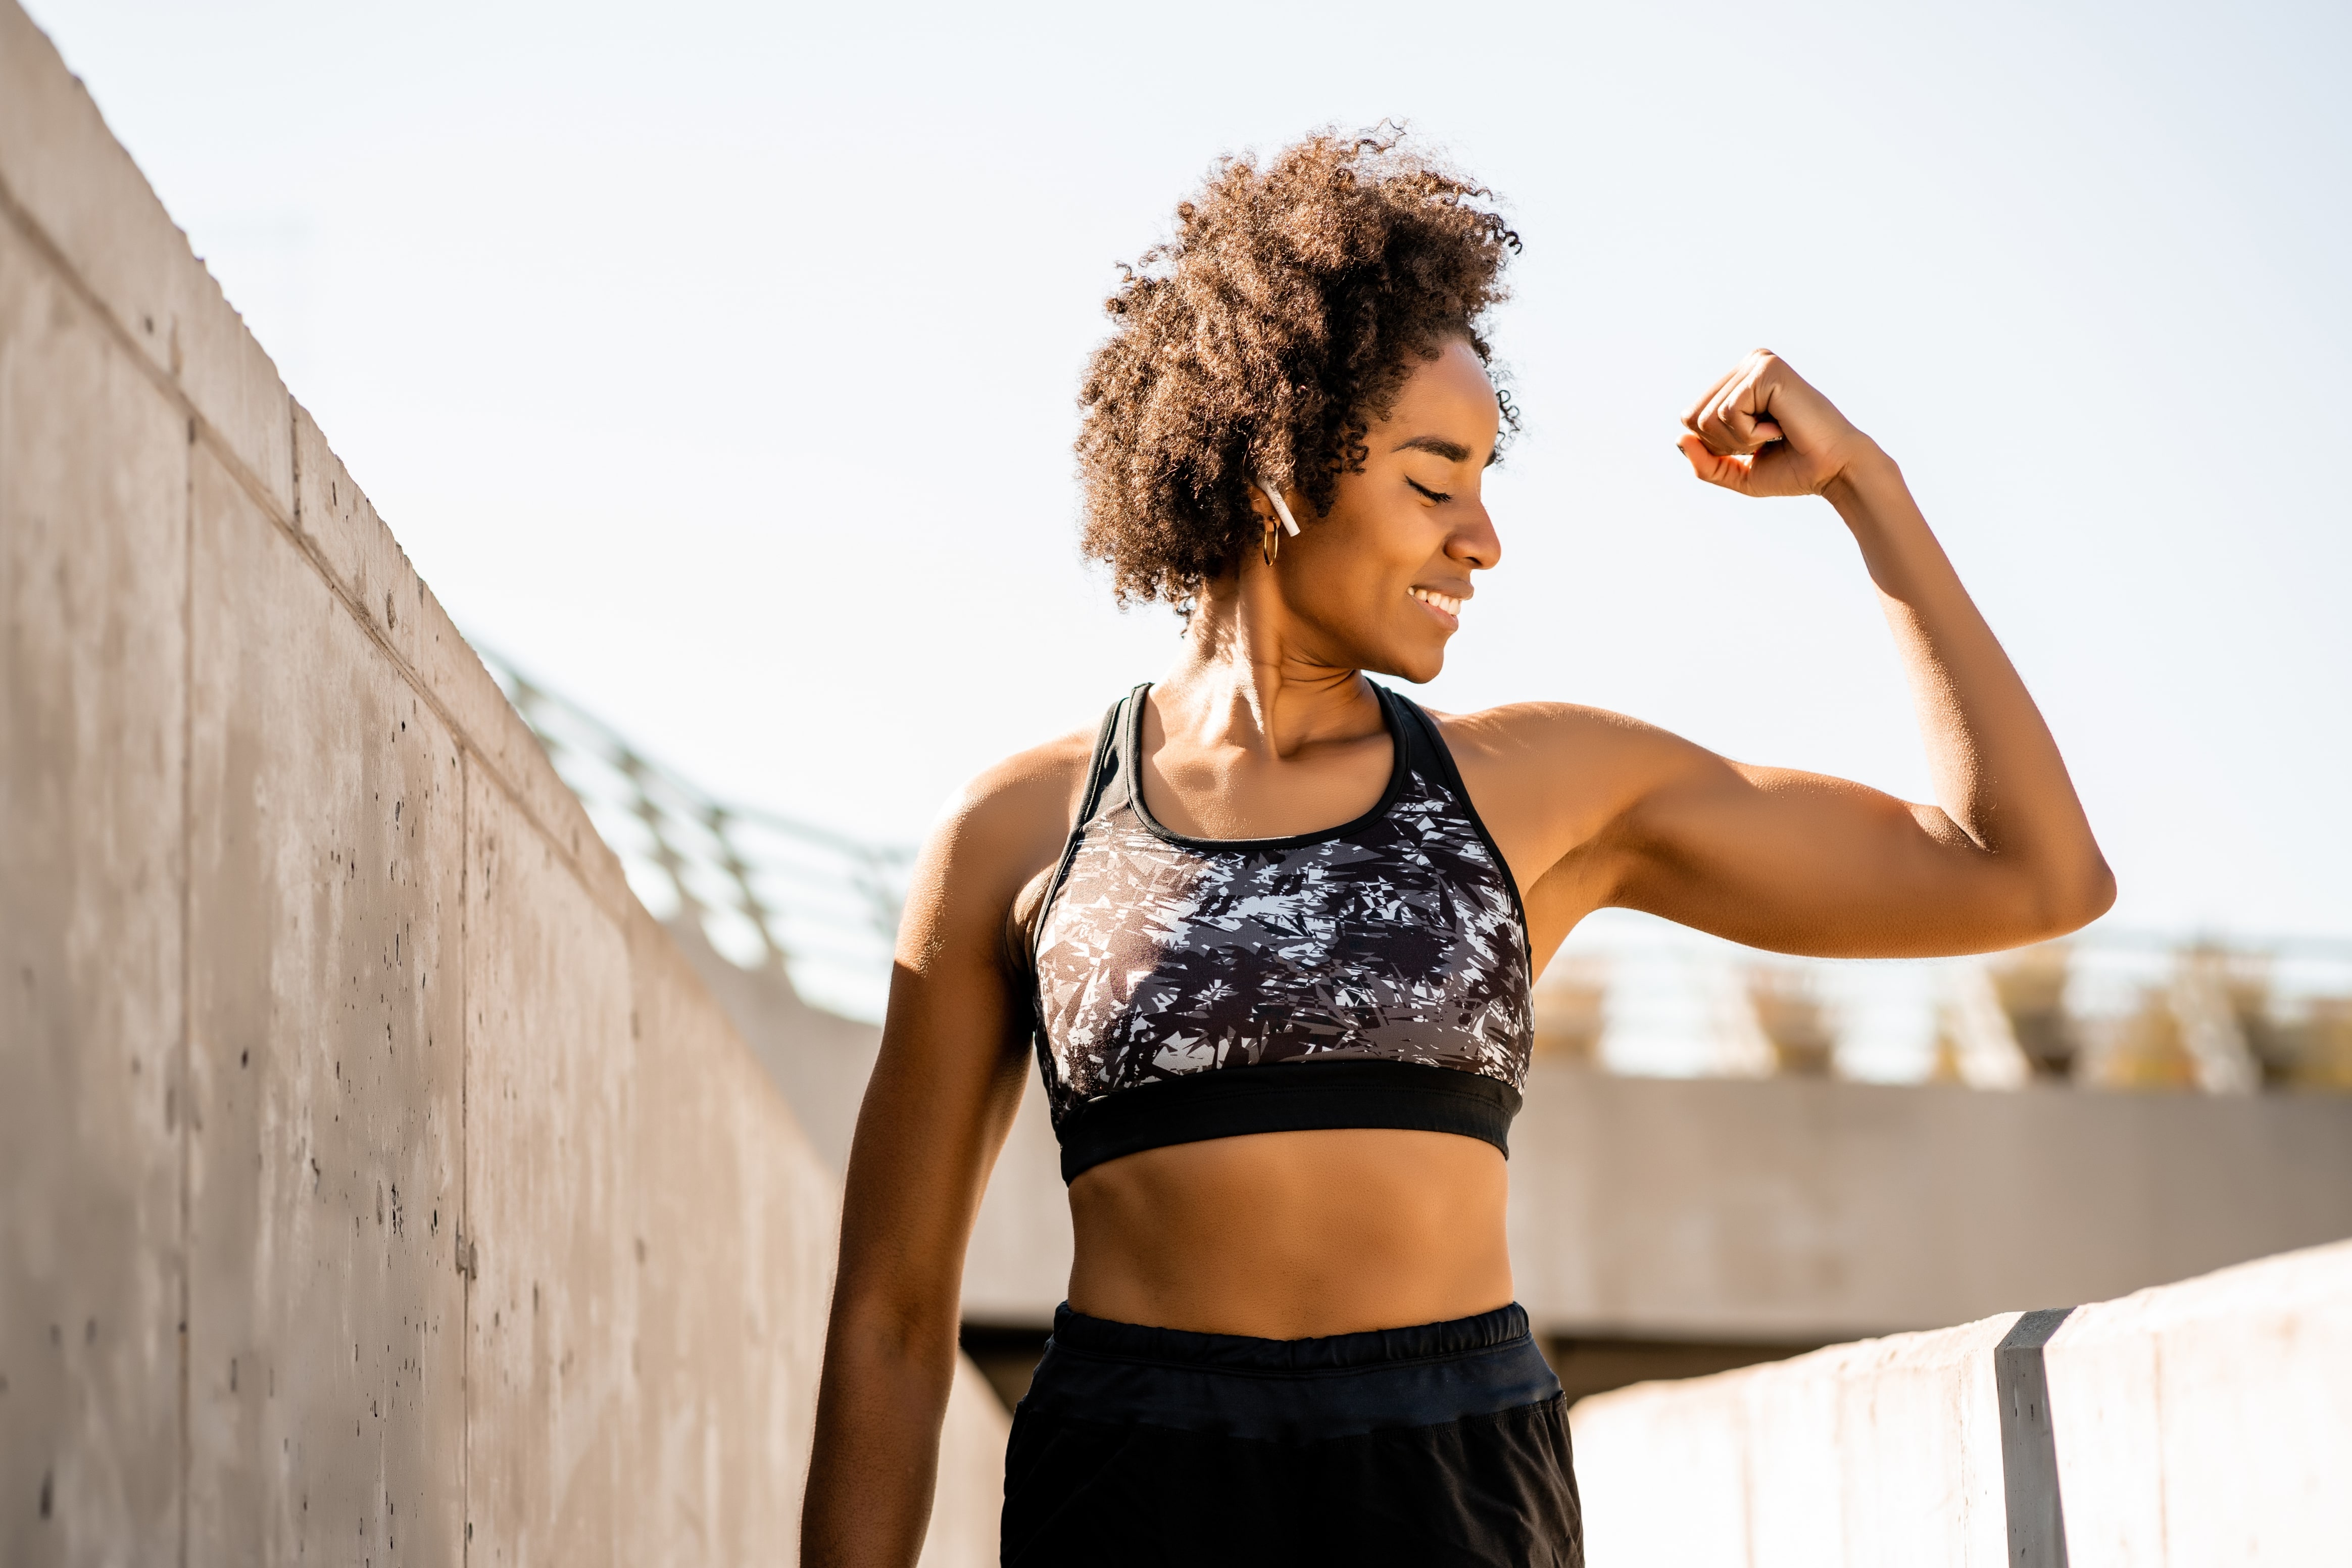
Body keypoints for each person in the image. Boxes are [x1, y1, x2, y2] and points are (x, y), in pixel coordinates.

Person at [801, 131, 2113, 1568]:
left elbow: (2025, 872)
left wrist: (1870, 488)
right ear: (1278, 468)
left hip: (1451, 1486)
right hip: (1132, 1487)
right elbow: (891, 1315)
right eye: (1437, 483)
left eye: (1486, 480)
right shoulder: (1017, 832)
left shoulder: (1536, 787)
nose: (1482, 540)